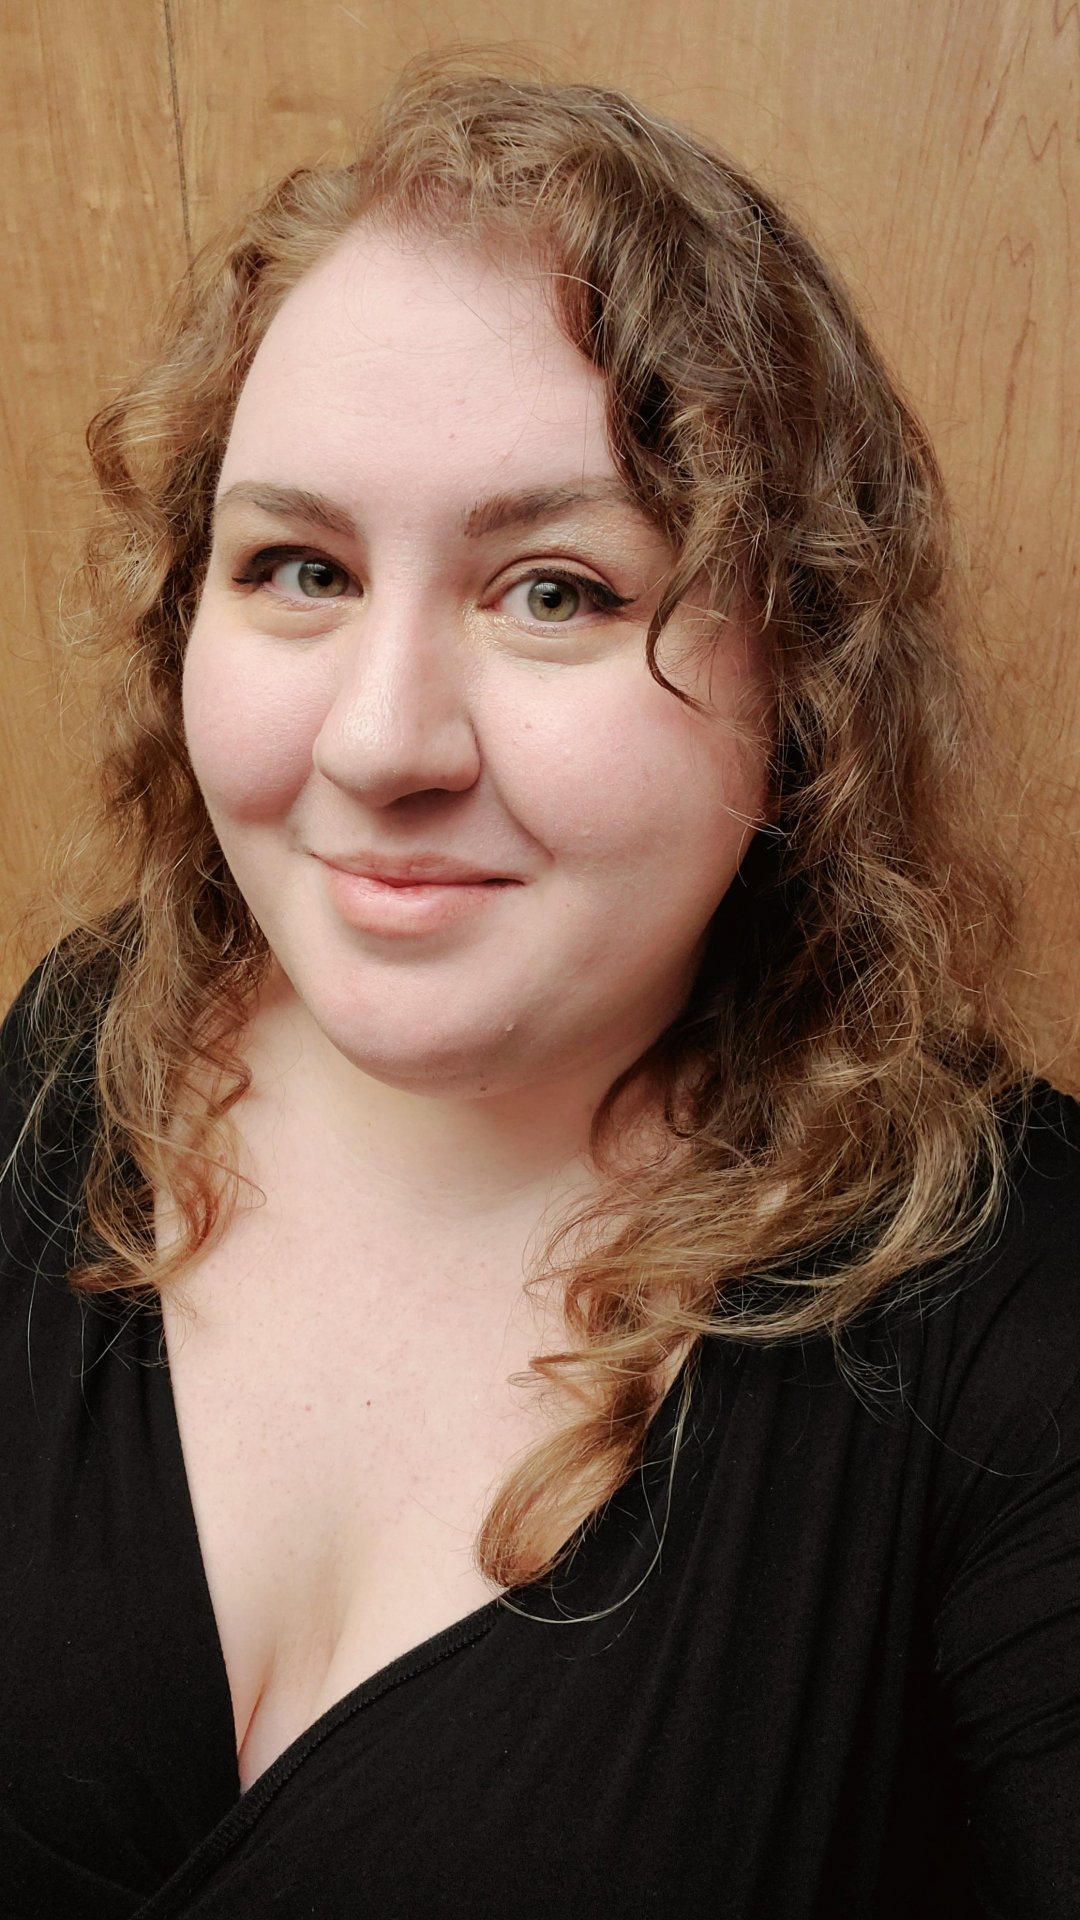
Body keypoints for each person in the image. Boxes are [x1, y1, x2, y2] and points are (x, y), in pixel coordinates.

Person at [1, 54, 1077, 1920]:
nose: (380, 742)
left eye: (557, 589)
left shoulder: (1024, 1316)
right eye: (299, 568)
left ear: (803, 675)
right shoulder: (74, 1058)